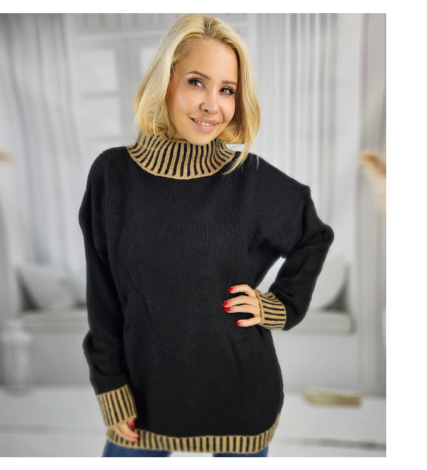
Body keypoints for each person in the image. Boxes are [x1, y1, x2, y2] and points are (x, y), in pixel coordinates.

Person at [78, 13, 335, 458]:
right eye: (197, 82)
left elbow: (314, 236)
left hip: (242, 398)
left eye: (227, 90)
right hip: (142, 401)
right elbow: (103, 298)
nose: (212, 104)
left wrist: (277, 305)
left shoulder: (251, 179)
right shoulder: (112, 176)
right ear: (165, 81)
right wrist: (110, 387)